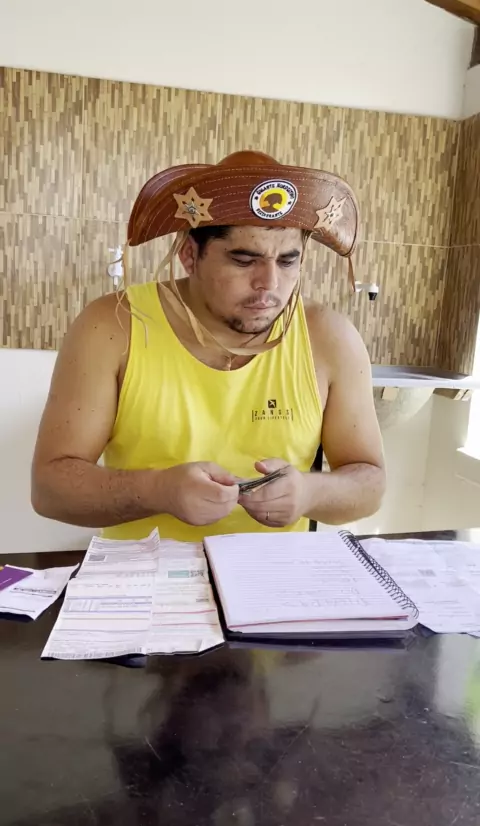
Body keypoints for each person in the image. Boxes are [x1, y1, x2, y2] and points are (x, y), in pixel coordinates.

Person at [31, 150, 385, 541]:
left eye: (287, 261)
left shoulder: (331, 339)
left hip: (273, 574)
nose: (269, 284)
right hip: (142, 573)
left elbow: (370, 484)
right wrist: (158, 491)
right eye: (244, 260)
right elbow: (49, 489)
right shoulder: (113, 326)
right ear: (189, 255)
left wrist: (309, 492)